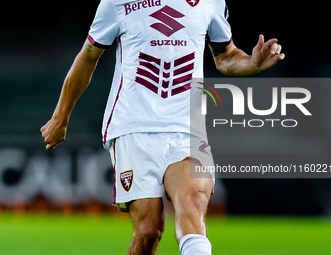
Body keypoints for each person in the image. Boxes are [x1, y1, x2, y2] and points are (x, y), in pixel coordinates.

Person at [41, 0, 284, 254]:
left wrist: (253, 63)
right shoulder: (117, 2)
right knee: (149, 230)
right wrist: (61, 117)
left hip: (187, 128)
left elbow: (225, 56)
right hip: (133, 127)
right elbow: (89, 56)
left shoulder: (211, 2)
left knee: (193, 204)